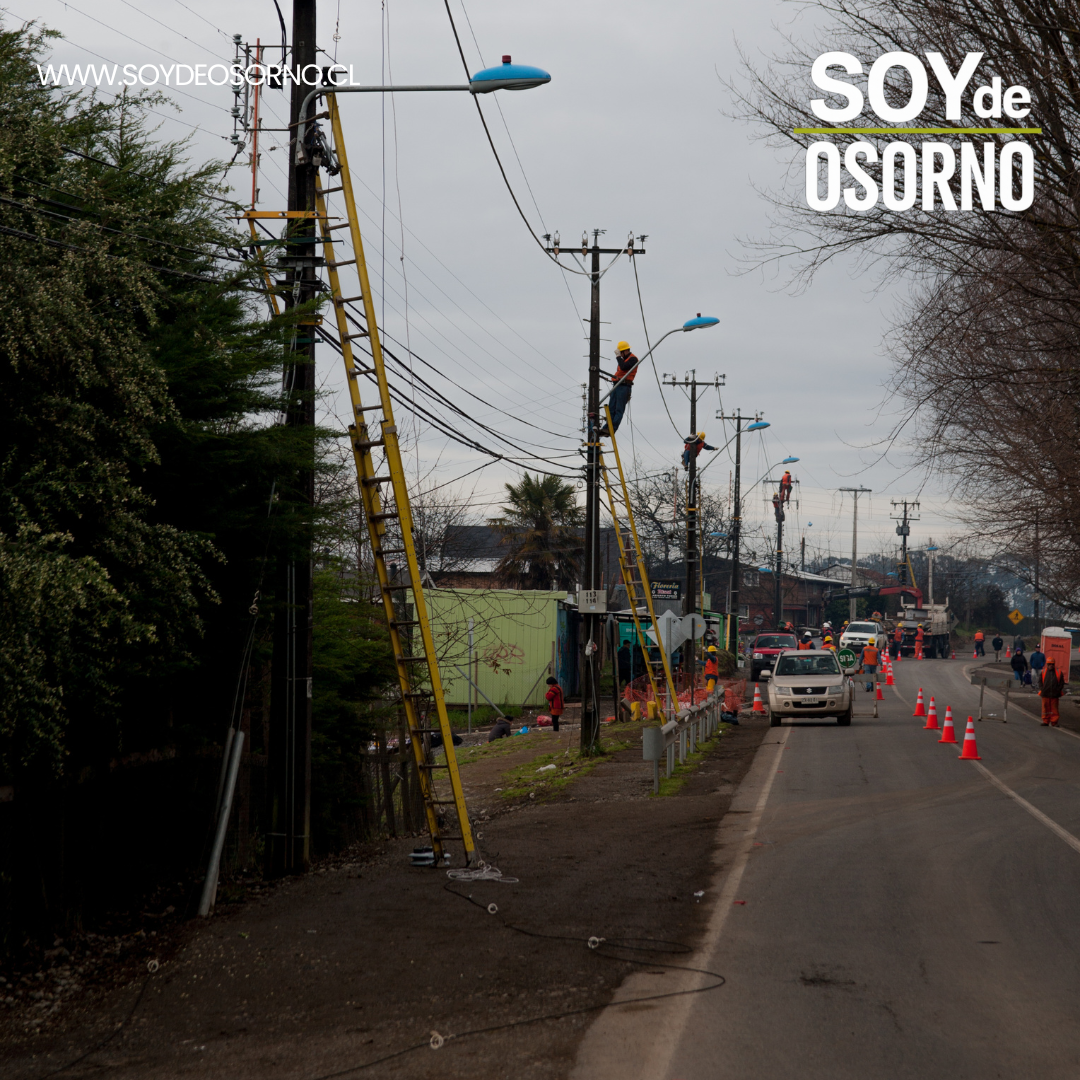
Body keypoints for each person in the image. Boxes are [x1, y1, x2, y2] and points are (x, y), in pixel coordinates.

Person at [597, 342, 638, 436]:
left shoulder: (633, 359)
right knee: (611, 408)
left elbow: (623, 367)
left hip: (624, 386)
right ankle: (606, 428)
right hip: (617, 385)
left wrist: (618, 357)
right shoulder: (623, 360)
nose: (620, 355)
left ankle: (612, 429)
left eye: (621, 352)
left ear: (625, 351)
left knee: (619, 409)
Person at [1039, 657, 1065, 726]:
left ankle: (1054, 722)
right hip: (1045, 694)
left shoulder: (1059, 672)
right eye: (1049, 664)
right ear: (1047, 664)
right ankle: (1045, 721)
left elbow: (1062, 683)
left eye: (1052, 664)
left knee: (1054, 709)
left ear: (1054, 664)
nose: (1051, 665)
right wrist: (1042, 689)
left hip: (1055, 694)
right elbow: (1040, 682)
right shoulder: (1043, 672)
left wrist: (1058, 690)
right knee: (1045, 709)